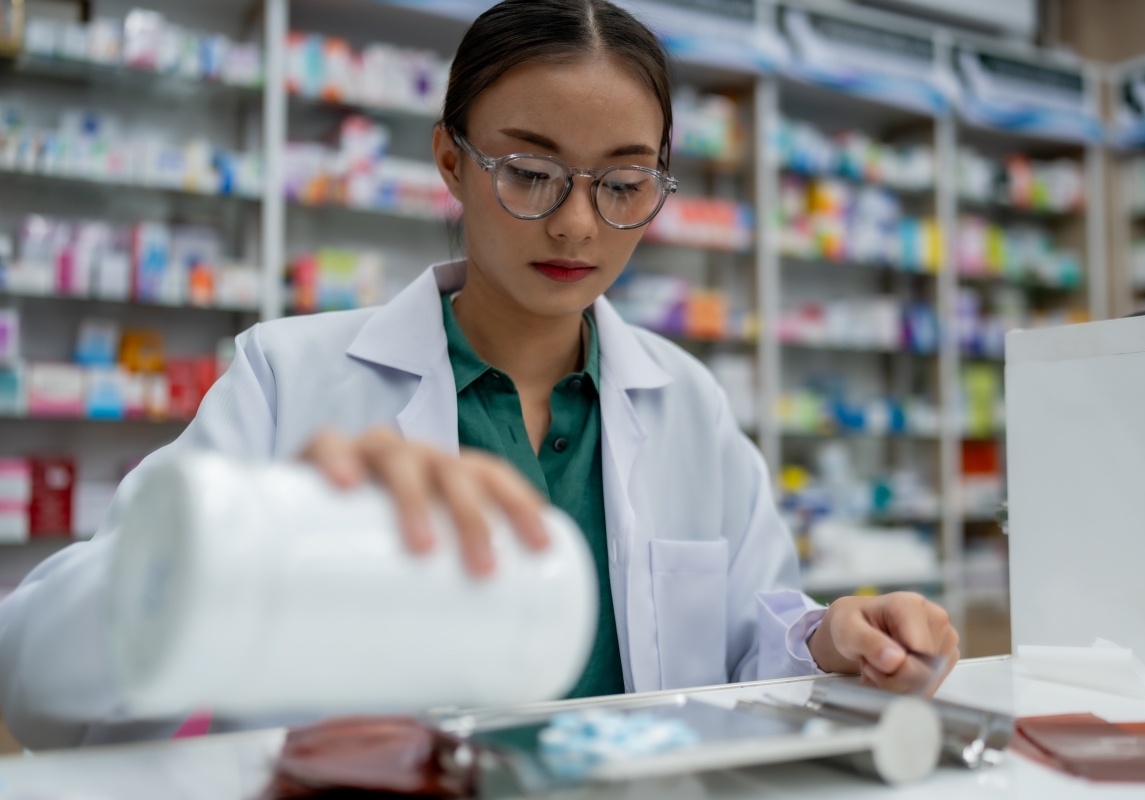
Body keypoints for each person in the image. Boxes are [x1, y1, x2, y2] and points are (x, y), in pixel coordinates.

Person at [0, 0, 958, 750]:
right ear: (451, 163)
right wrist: (249, 538)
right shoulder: (288, 376)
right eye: (530, 173)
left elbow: (750, 645)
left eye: (623, 183)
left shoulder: (690, 403)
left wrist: (831, 639)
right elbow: (34, 679)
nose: (579, 226)